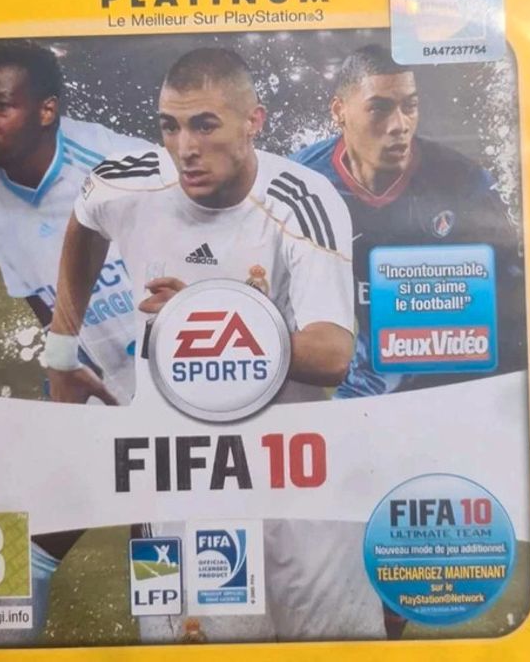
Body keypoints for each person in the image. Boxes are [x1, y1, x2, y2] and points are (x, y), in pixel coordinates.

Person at [46, 47, 385, 642]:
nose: (185, 147)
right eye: (170, 126)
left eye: (205, 125)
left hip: (297, 470)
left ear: (254, 122)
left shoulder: (302, 200)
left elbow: (332, 354)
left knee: (342, 647)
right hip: (181, 474)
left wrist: (200, 313)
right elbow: (85, 221)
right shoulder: (127, 182)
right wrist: (60, 352)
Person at [293, 43, 527, 638]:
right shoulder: (298, 186)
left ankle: (387, 628)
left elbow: (511, 299)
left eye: (410, 106)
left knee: (405, 544)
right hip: (339, 387)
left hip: (432, 382)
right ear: (339, 111)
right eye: (380, 108)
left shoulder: (460, 183)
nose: (399, 125)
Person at [0, 41, 155, 641]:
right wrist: (63, 360)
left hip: (170, 391)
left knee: (157, 553)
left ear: (47, 111)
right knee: (15, 542)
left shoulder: (122, 164)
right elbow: (36, 286)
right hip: (86, 379)